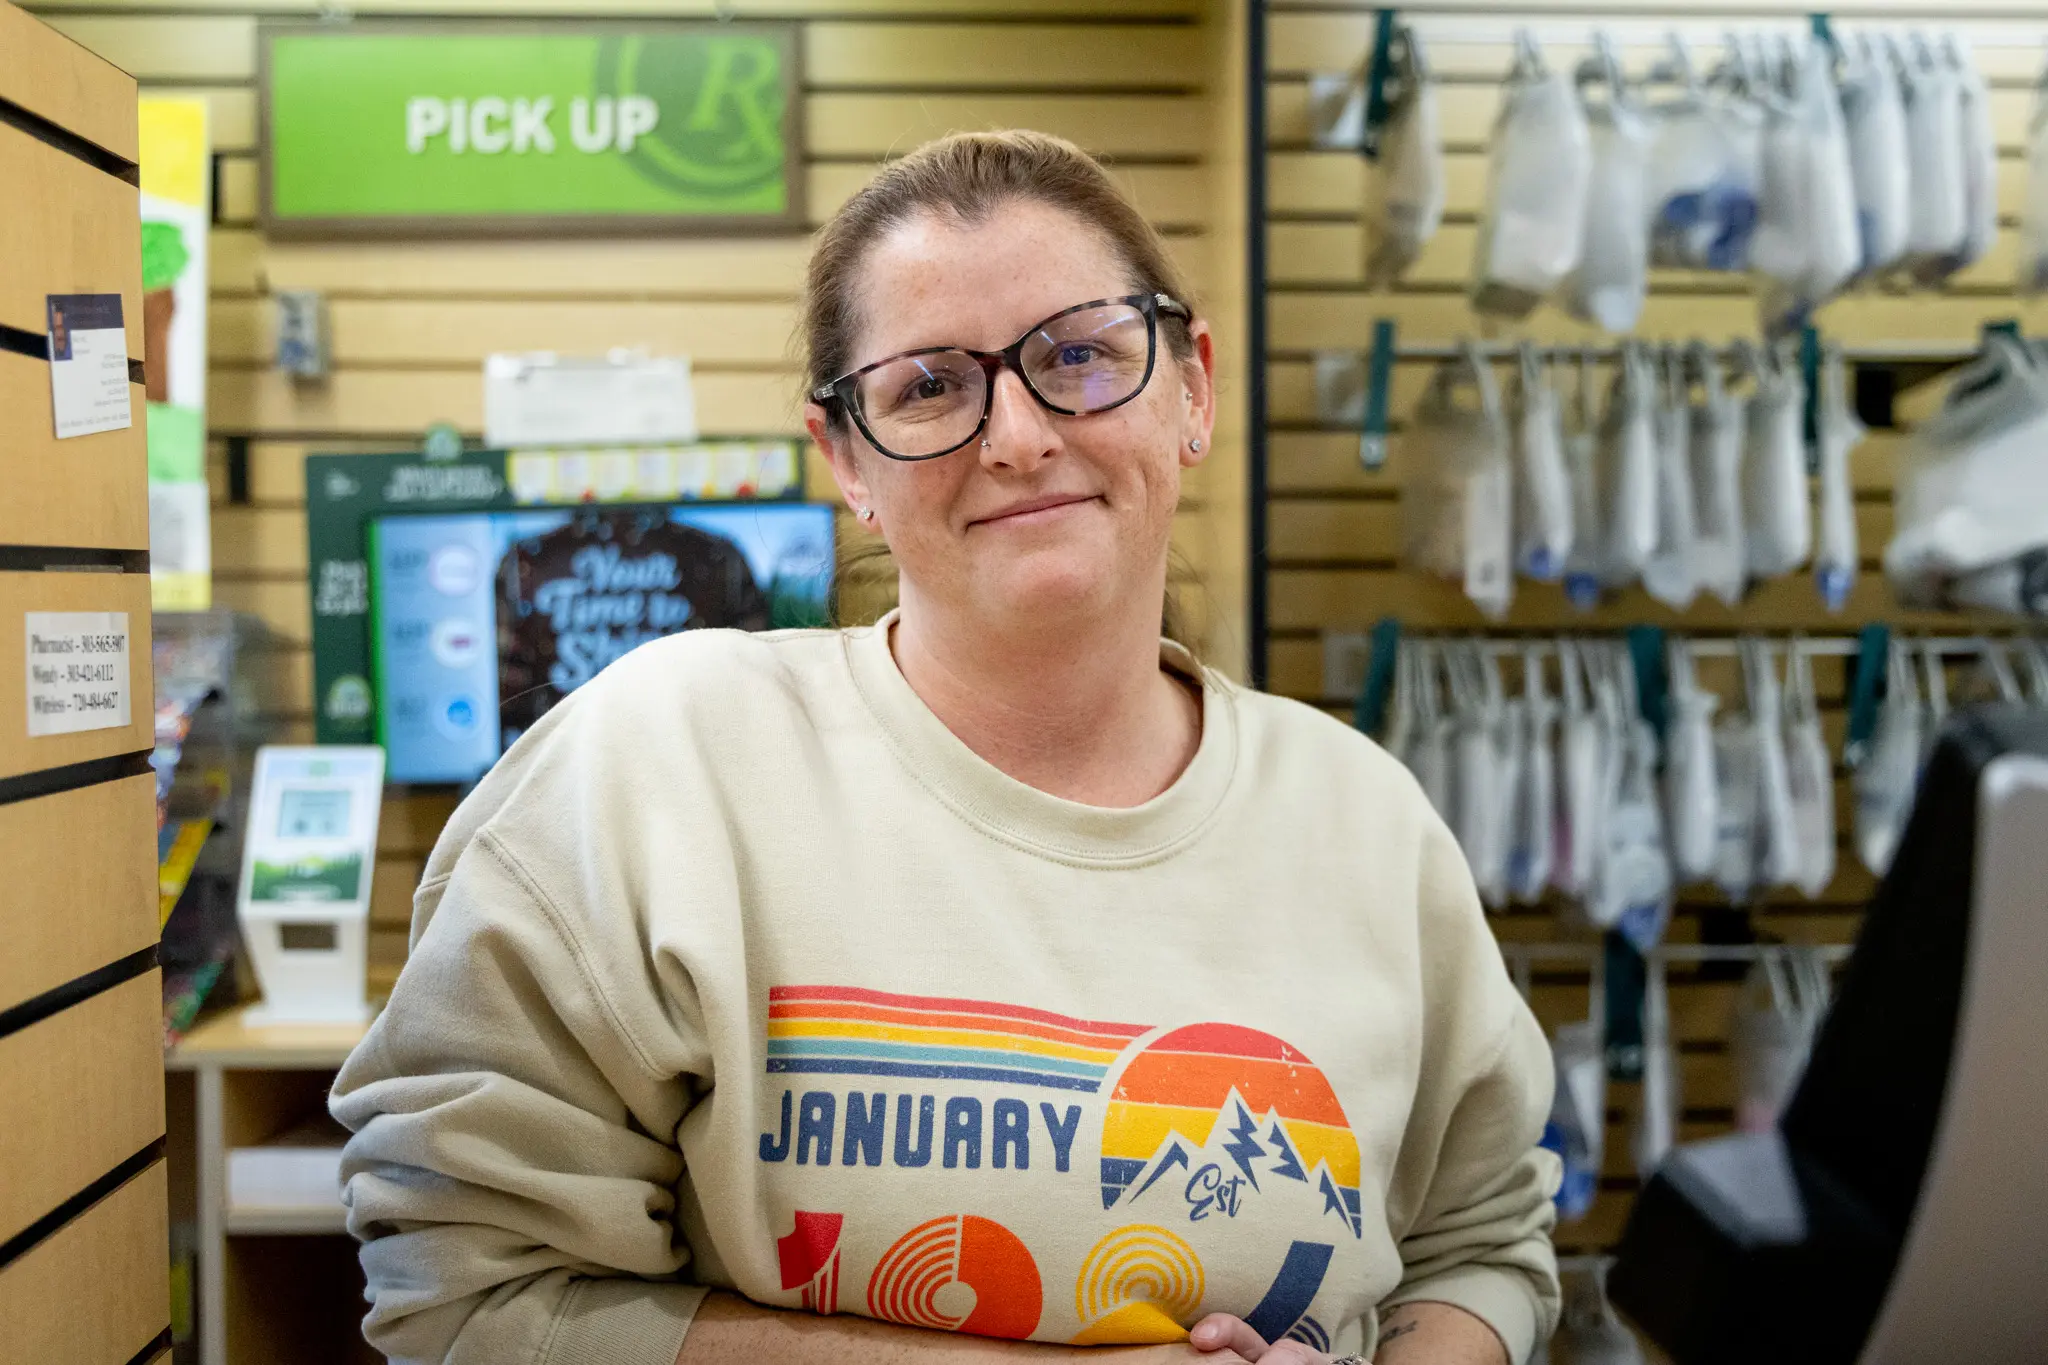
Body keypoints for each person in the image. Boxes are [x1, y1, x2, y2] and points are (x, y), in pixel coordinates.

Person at [331, 130, 1560, 1365]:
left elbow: (1480, 1244)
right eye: (930, 386)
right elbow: (469, 1294)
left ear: (1191, 386)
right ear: (845, 459)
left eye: (1078, 354)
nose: (1018, 435)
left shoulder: (1363, 820)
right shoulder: (659, 770)